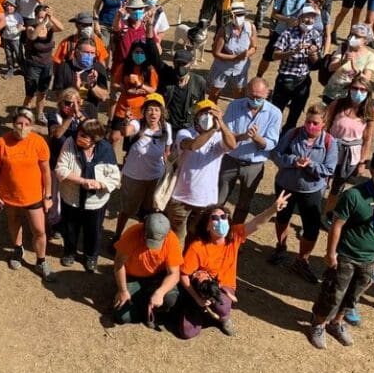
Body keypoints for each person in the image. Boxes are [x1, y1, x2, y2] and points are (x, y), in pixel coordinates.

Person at [307, 150, 374, 349]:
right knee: (333, 293)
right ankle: (319, 324)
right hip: (347, 255)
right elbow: (337, 225)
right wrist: (331, 253)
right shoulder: (354, 195)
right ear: (373, 171)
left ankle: (337, 323)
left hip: (371, 258)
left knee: (353, 295)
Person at [179, 192, 291, 339]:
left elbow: (256, 223)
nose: (220, 221)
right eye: (214, 218)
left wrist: (272, 209)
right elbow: (184, 274)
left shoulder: (235, 235)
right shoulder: (197, 247)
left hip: (224, 285)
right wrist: (197, 298)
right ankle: (199, 309)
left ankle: (223, 317)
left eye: (224, 217)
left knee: (223, 305)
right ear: (207, 226)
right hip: (201, 288)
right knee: (187, 332)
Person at [269, 104, 338, 283]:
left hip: (311, 190)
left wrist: (310, 165)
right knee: (283, 217)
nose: (311, 126)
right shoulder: (292, 134)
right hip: (286, 185)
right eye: (308, 121)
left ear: (324, 123)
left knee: (311, 226)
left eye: (315, 123)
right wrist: (292, 160)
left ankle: (302, 260)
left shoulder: (330, 142)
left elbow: (329, 169)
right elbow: (276, 154)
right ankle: (281, 247)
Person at [0, 107, 54, 282]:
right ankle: (18, 250)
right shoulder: (2, 142)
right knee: (14, 222)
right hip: (9, 195)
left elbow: (46, 171)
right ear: (13, 123)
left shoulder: (38, 142)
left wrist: (48, 196)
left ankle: (41, 260)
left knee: (39, 230)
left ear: (32, 125)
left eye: (27, 124)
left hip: (34, 196)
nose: (23, 127)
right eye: (19, 123)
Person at [166, 100, 238, 244]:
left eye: (211, 114)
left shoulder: (219, 137)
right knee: (177, 237)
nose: (207, 117)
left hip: (206, 201)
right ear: (196, 117)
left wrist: (221, 125)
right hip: (181, 198)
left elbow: (232, 145)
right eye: (203, 113)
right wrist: (211, 130)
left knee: (197, 238)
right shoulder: (185, 133)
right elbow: (193, 146)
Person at [55, 119, 120, 272]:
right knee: (70, 227)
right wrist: (82, 180)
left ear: (95, 139)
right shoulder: (69, 144)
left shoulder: (106, 150)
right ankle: (69, 252)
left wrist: (100, 184)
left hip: (95, 201)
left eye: (84, 135)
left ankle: (91, 256)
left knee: (93, 230)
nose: (79, 137)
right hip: (71, 197)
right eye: (79, 133)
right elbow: (60, 169)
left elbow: (115, 178)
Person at [218, 78, 282, 223]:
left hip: (254, 166)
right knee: (219, 199)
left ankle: (235, 233)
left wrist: (257, 138)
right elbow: (225, 133)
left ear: (267, 93)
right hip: (230, 161)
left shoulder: (275, 113)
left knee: (244, 204)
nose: (254, 100)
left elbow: (272, 142)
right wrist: (243, 136)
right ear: (246, 91)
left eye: (258, 97)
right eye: (251, 95)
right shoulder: (234, 106)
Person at [115, 94, 172, 241]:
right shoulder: (137, 124)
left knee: (150, 211)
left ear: (162, 112)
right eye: (150, 110)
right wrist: (126, 120)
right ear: (144, 111)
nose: (153, 113)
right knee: (127, 210)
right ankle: (117, 237)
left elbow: (167, 151)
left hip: (155, 178)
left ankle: (144, 238)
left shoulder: (167, 128)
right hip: (134, 176)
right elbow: (126, 132)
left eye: (157, 110)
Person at [111, 213, 180, 327]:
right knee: (122, 317)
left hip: (157, 278)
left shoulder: (172, 239)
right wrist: (123, 290)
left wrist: (160, 292)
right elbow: (119, 263)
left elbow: (174, 274)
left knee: (170, 298)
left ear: (167, 234)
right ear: (144, 228)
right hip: (132, 277)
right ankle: (144, 306)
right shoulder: (132, 234)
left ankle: (150, 307)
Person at [323, 78, 374, 216]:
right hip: (331, 149)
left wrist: (362, 161)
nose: (358, 92)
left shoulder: (369, 111)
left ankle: (327, 213)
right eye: (355, 88)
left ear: (368, 92)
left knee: (338, 186)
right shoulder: (338, 104)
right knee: (322, 180)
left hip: (351, 154)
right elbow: (325, 124)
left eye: (362, 89)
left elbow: (367, 139)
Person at [270, 5, 323, 132]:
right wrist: (293, 52)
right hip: (285, 79)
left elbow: (316, 63)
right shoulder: (288, 33)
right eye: (307, 17)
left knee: (295, 114)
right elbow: (275, 55)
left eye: (312, 18)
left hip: (303, 80)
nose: (310, 20)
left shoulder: (316, 35)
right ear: (300, 18)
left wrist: (313, 53)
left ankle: (287, 137)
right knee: (276, 112)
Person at [109, 40, 158, 146]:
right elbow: (114, 84)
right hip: (123, 107)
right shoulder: (124, 66)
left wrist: (140, 85)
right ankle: (109, 160)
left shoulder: (150, 69)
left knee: (133, 143)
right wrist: (126, 90)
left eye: (142, 53)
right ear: (131, 53)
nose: (139, 55)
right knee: (114, 137)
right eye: (136, 52)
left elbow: (153, 89)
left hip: (140, 110)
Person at [207, 2, 257, 102]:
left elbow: (254, 47)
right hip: (222, 68)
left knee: (239, 95)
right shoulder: (224, 30)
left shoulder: (251, 28)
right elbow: (216, 53)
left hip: (240, 68)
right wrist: (236, 58)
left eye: (241, 15)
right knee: (214, 94)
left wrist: (247, 53)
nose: (239, 17)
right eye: (236, 15)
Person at [153, 47, 208, 135]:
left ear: (191, 64)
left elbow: (201, 107)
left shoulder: (199, 82)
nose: (180, 67)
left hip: (187, 128)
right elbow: (155, 58)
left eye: (184, 64)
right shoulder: (166, 76)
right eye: (178, 63)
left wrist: (201, 127)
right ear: (173, 63)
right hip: (166, 126)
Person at [21, 5, 62, 119]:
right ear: (35, 16)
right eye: (39, 17)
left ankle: (39, 114)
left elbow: (61, 28)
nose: (41, 19)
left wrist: (51, 17)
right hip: (33, 66)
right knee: (30, 94)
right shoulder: (30, 28)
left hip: (47, 65)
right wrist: (43, 22)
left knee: (42, 92)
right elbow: (33, 36)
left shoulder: (50, 28)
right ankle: (24, 115)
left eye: (44, 17)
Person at [323, 23, 374, 104]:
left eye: (357, 36)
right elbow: (331, 68)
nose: (353, 37)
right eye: (352, 34)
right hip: (332, 93)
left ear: (366, 40)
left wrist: (356, 69)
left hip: (351, 96)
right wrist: (343, 61)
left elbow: (366, 80)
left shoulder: (370, 56)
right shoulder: (343, 47)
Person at [51, 39, 109, 111]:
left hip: (89, 114)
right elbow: (58, 95)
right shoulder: (64, 67)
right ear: (77, 52)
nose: (90, 56)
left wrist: (92, 86)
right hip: (68, 112)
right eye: (86, 52)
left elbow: (103, 97)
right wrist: (75, 88)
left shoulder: (98, 68)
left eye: (92, 53)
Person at [111, 0, 148, 68]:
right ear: (128, 10)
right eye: (134, 9)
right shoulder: (123, 25)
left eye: (140, 8)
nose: (137, 11)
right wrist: (118, 16)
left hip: (139, 70)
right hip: (121, 68)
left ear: (143, 9)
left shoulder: (146, 28)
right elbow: (116, 27)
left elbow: (157, 46)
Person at [0, 0, 24, 77]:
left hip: (16, 39)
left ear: (15, 7)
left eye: (11, 6)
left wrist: (20, 28)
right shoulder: (3, 15)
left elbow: (21, 25)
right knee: (8, 55)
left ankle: (23, 69)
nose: (9, 8)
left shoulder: (18, 16)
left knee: (18, 54)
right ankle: (10, 69)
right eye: (8, 6)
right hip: (6, 39)